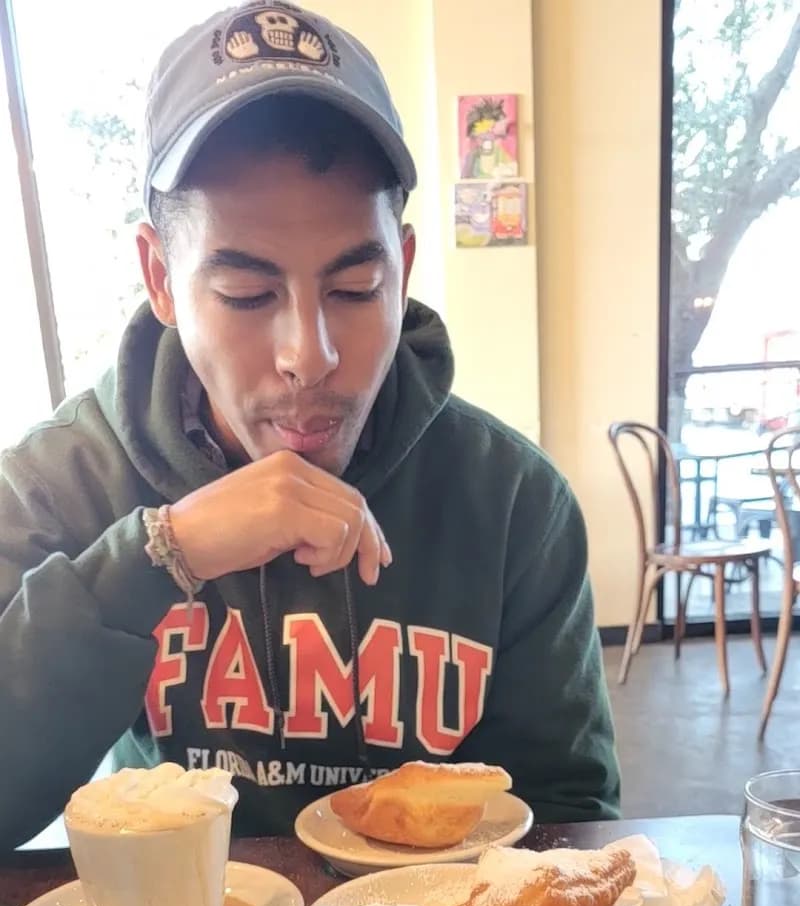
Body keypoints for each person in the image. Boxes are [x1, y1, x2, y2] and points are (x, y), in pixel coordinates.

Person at [0, 3, 620, 849]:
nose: (309, 355)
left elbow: (568, 827)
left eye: (356, 287)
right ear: (161, 277)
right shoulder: (59, 484)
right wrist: (163, 553)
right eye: (247, 295)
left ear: (403, 268)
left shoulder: (515, 505)